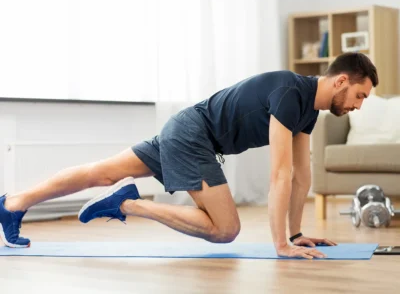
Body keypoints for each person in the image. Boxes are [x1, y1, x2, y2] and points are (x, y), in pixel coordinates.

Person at [0, 52, 378, 259]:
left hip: (189, 129)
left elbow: (301, 176)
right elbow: (279, 175)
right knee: (226, 229)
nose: (359, 105)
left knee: (101, 173)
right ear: (341, 80)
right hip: (193, 135)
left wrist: (295, 234)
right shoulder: (290, 93)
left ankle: (14, 204)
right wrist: (281, 245)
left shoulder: (308, 110)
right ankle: (130, 205)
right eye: (360, 95)